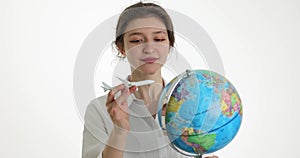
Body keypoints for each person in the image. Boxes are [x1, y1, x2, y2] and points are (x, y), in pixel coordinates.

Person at [82, 2, 219, 158]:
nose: (149, 48)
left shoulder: (192, 106)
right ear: (121, 47)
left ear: (169, 44)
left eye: (159, 38)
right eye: (136, 40)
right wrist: (120, 131)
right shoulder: (99, 110)